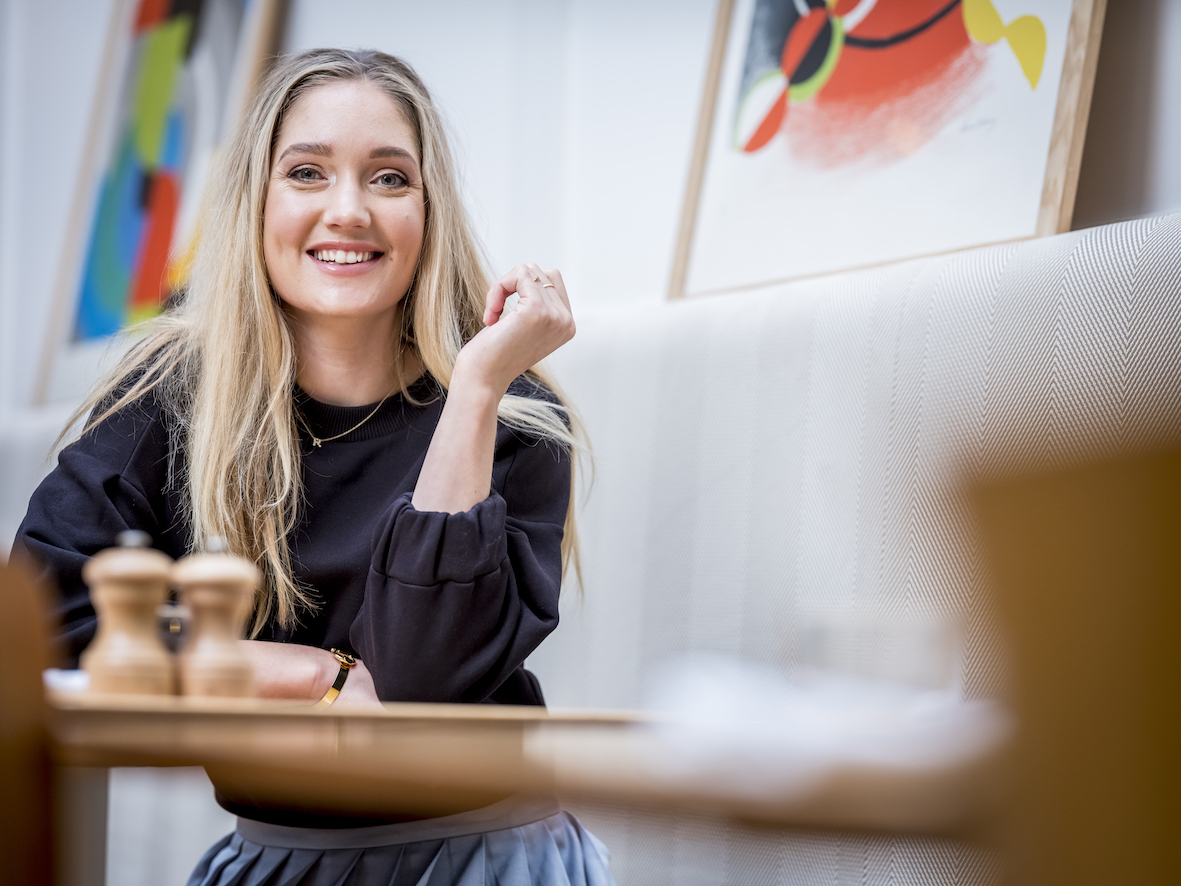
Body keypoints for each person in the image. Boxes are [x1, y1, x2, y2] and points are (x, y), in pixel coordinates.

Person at [15, 48, 614, 885]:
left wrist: (475, 383)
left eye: (389, 178)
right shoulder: (170, 397)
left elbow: (417, 686)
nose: (349, 210)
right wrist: (307, 674)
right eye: (306, 172)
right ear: (255, 202)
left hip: (488, 855)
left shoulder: (512, 412)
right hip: (274, 858)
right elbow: (40, 629)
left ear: (428, 209)